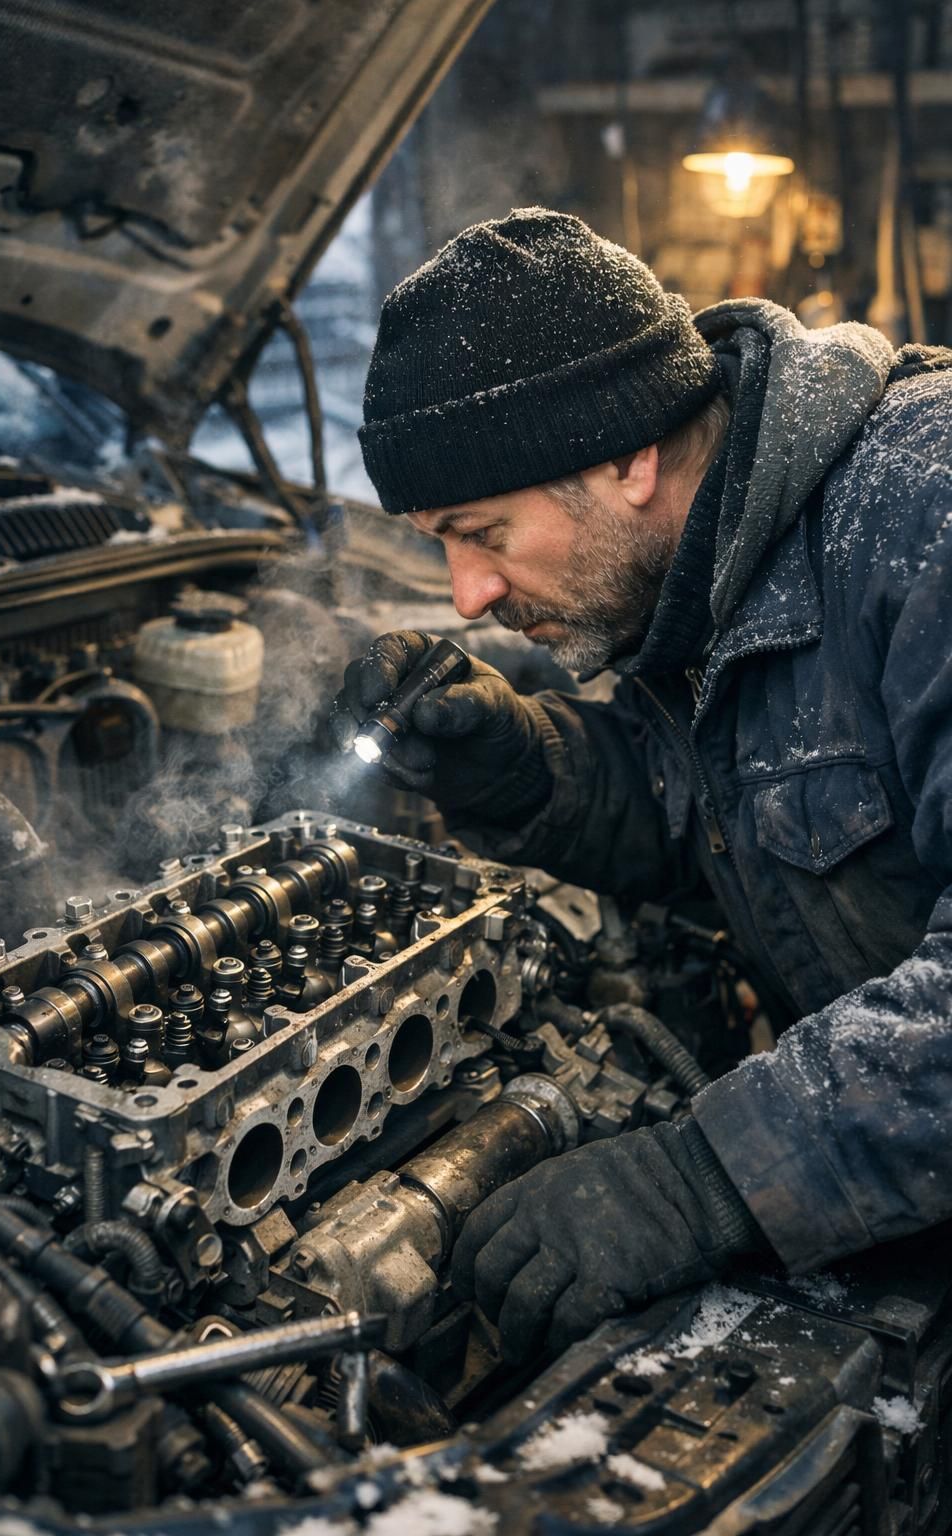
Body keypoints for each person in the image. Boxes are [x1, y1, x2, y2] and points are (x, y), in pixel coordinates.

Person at [332, 207, 952, 1365]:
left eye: (482, 532)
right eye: (438, 546)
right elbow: (745, 834)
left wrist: (709, 1178)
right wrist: (530, 769)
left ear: (627, 457)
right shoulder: (702, 571)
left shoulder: (925, 517)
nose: (465, 593)